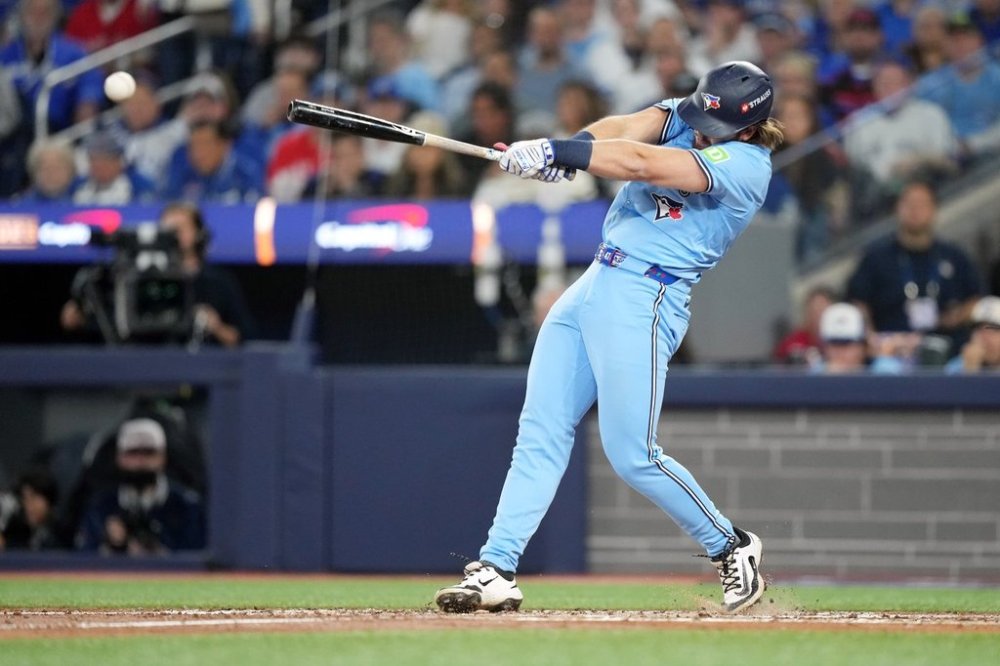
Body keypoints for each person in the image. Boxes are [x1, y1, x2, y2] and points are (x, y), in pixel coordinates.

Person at [434, 61, 782, 614]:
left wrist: (555, 153)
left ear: (745, 127)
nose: (697, 130)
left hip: (649, 295)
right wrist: (569, 150)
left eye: (712, 129)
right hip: (596, 281)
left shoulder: (745, 166)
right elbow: (626, 129)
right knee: (541, 429)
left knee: (633, 453)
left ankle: (732, 546)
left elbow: (642, 163)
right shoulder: (689, 115)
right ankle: (496, 568)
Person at [61, 202, 255, 347]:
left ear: (198, 233)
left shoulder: (218, 281)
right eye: (166, 230)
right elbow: (111, 326)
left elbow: (245, 339)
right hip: (142, 369)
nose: (172, 237)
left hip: (202, 378)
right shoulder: (134, 278)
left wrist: (216, 326)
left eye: (179, 230)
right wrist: (82, 317)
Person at [846, 181, 981, 335]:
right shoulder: (875, 259)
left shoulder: (954, 257)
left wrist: (955, 318)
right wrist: (870, 338)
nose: (915, 210)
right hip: (892, 349)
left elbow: (976, 300)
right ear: (897, 208)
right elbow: (857, 302)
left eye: (922, 204)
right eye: (909, 203)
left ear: (934, 210)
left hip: (949, 346)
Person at [77, 418, 205, 554]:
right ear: (119, 457)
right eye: (133, 452)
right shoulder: (101, 506)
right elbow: (83, 557)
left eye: (149, 452)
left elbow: (200, 557)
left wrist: (159, 548)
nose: (140, 460)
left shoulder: (187, 506)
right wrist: (110, 546)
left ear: (163, 457)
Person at [809, 301, 909, 373]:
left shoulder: (885, 371)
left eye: (846, 343)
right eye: (834, 343)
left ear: (862, 346)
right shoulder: (817, 373)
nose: (840, 352)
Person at [773, 285, 837, 365]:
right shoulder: (794, 341)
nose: (817, 317)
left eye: (821, 310)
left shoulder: (842, 342)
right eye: (813, 311)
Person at [0, 469, 62, 551]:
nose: (28, 505)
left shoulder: (61, 533)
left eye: (33, 498)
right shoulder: (17, 527)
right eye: (25, 498)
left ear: (48, 500)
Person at [945, 296, 1000, 373]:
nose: (984, 337)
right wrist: (970, 371)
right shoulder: (959, 365)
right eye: (978, 328)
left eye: (993, 329)